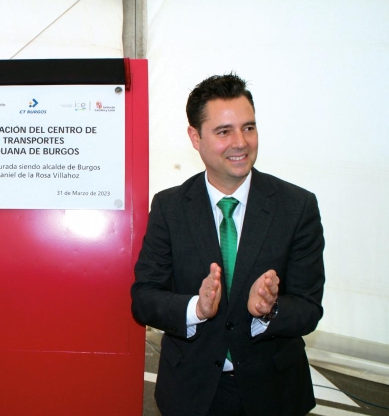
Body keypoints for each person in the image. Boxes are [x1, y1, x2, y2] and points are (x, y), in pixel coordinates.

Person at [131, 74, 325, 416]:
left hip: (274, 392)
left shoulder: (296, 206)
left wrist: (270, 310)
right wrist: (196, 309)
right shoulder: (169, 207)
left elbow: (309, 307)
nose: (241, 142)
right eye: (224, 132)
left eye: (248, 128)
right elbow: (145, 298)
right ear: (195, 136)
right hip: (191, 392)